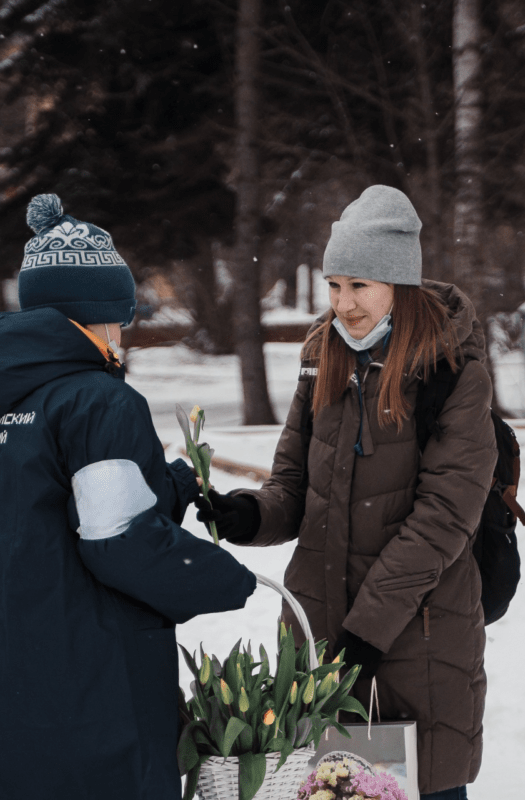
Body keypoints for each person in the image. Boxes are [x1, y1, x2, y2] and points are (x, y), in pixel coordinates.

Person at [0, 193, 257, 800]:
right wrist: (224, 578)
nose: (125, 334)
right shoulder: (99, 400)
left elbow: (50, 511)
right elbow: (119, 541)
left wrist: (167, 487)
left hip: (5, 668)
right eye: (122, 317)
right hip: (94, 675)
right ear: (99, 315)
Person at [198, 185, 497, 800]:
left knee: (423, 784)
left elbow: (445, 516)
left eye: (359, 286)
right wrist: (248, 515)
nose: (344, 305)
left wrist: (367, 631)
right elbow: (294, 484)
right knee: (324, 788)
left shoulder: (452, 369)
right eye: (334, 286)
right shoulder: (323, 353)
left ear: (399, 285)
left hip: (421, 634)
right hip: (320, 629)